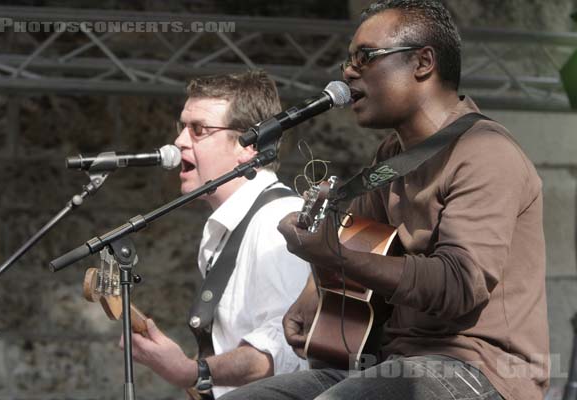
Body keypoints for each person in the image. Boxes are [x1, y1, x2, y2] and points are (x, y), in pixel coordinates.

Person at [221, 1, 549, 400]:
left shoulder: (486, 152)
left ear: (423, 62)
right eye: (348, 60)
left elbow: (459, 283)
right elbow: (353, 238)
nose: (347, 71)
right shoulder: (391, 158)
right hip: (389, 361)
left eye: (365, 57)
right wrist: (314, 286)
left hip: (479, 368)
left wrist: (334, 258)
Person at [122, 70, 310, 398]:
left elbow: (285, 350)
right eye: (181, 127)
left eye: (198, 130)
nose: (179, 141)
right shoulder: (227, 228)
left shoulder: (277, 222)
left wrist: (193, 371)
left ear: (249, 147)